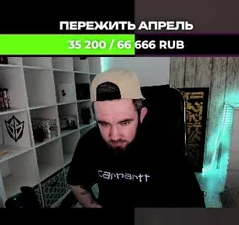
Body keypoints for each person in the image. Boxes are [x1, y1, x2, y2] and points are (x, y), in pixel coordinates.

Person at [66, 70, 205, 208]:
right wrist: (91, 205)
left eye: (124, 123)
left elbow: (192, 203)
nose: (114, 136)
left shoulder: (165, 146)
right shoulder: (89, 142)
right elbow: (76, 181)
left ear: (142, 115)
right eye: (104, 123)